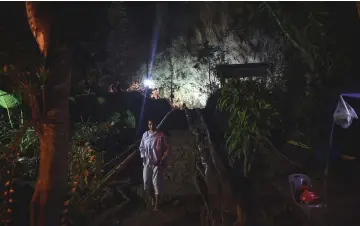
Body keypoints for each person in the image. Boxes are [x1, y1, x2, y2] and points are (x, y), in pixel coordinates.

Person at [139, 119, 169, 211]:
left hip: (157, 163)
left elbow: (166, 149)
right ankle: (152, 198)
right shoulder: (145, 135)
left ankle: (156, 204)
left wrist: (162, 159)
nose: (151, 126)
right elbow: (142, 147)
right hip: (147, 162)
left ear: (156, 124)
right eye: (149, 124)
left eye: (153, 124)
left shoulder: (161, 135)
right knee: (146, 182)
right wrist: (144, 156)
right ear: (148, 125)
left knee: (156, 183)